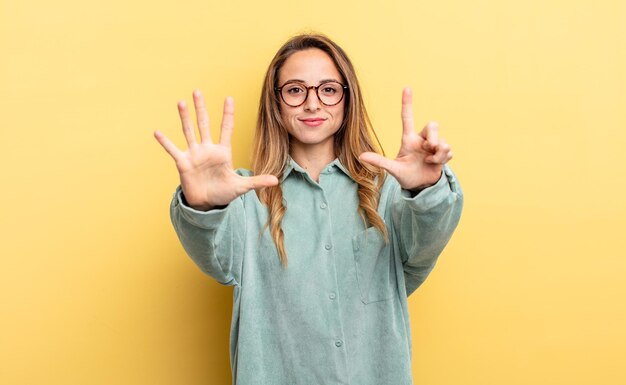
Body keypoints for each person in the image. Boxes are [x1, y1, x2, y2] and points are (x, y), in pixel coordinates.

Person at [154, 33, 463, 385]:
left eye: (328, 89)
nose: (312, 104)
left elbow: (426, 246)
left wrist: (425, 188)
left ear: (347, 100)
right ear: (277, 103)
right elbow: (214, 258)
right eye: (296, 90)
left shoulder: (391, 193)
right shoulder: (244, 198)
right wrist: (205, 203)